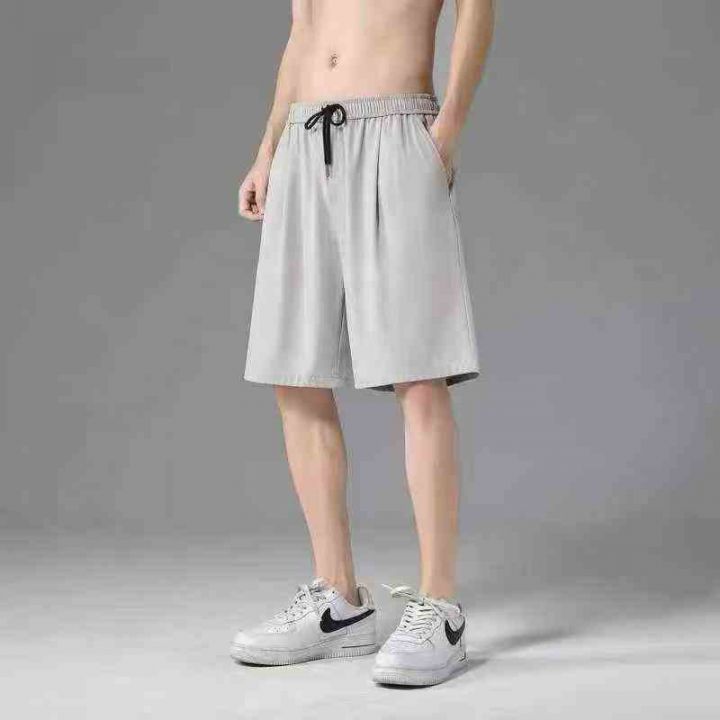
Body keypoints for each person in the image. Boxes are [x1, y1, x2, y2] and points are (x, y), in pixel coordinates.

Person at [233, 0, 494, 687]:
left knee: (419, 371)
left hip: (396, 128)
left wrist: (448, 130)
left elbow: (476, 10)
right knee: (295, 372)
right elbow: (303, 31)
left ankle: (440, 606)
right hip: (303, 138)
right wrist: (266, 150)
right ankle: (339, 599)